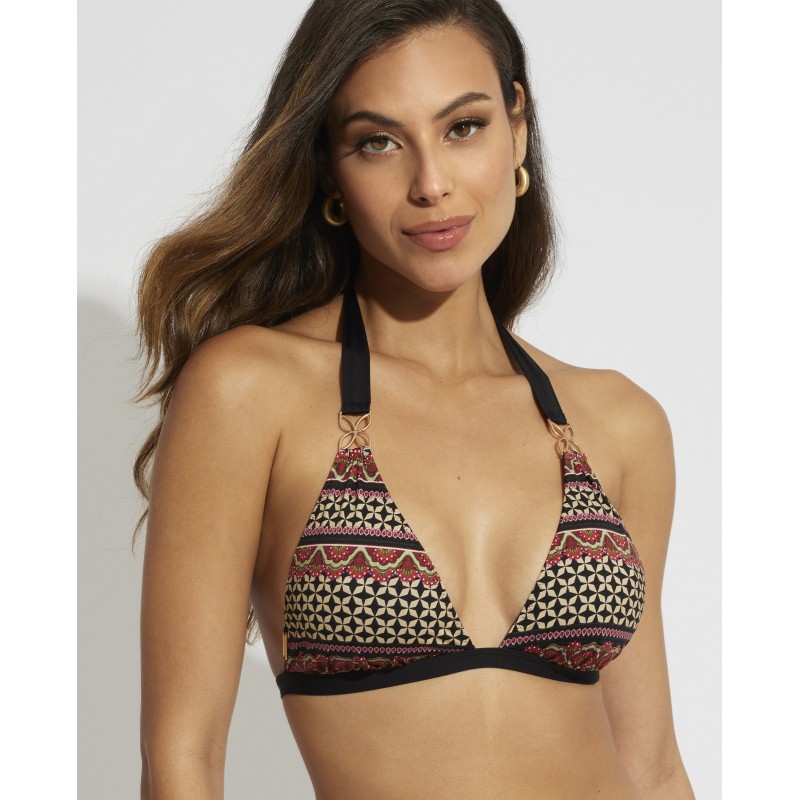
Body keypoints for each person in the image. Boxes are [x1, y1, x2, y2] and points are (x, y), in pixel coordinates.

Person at [134, 0, 695, 797]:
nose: (431, 184)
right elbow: (183, 757)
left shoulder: (617, 423)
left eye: (463, 127)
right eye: (379, 142)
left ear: (517, 128)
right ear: (331, 169)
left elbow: (653, 765)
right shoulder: (250, 391)